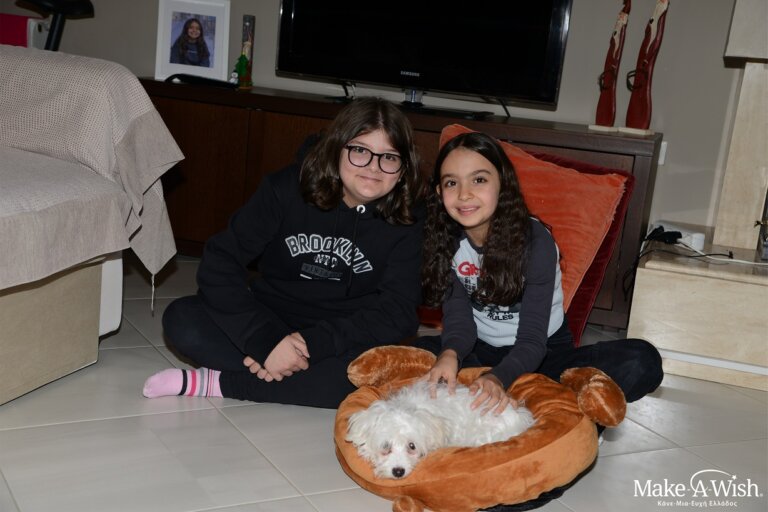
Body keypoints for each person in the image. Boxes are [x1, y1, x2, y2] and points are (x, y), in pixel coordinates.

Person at [143, 97, 426, 408]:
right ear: (336, 148)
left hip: (343, 335)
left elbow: (398, 311)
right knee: (182, 321)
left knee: (374, 373)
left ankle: (218, 383)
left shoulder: (410, 217)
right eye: (360, 150)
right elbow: (220, 262)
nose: (373, 167)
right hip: (272, 315)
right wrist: (264, 341)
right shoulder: (286, 188)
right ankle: (296, 378)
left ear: (403, 168)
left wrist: (308, 345)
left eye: (389, 157)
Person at [416, 131, 663, 417]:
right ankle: (536, 403)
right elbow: (460, 324)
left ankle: (532, 398)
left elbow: (533, 340)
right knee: (410, 355)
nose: (464, 194)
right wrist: (450, 354)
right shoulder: (444, 241)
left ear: (503, 184)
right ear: (439, 192)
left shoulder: (536, 242)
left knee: (641, 361)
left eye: (479, 180)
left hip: (543, 353)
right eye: (451, 183)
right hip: (478, 350)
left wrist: (498, 377)